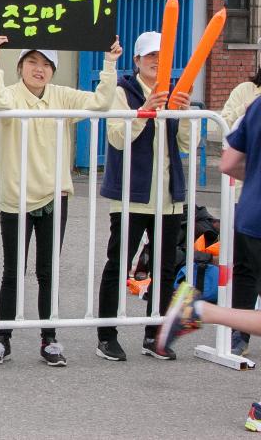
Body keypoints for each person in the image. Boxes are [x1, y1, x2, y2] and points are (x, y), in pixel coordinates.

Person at [0, 33, 121, 368]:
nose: (39, 69)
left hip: (54, 195)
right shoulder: (11, 95)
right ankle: (2, 338)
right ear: (20, 66)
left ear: (54, 70)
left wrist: (109, 64)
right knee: (12, 271)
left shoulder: (62, 96)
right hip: (16, 197)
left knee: (48, 271)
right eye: (32, 62)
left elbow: (101, 103)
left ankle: (49, 338)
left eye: (46, 64)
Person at [157, 89, 261, 430]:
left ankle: (200, 311)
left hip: (250, 218)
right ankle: (199, 311)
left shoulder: (257, 104)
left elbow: (229, 163)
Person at [96, 30, 192, 362]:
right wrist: (145, 111)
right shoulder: (124, 91)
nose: (156, 62)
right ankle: (106, 335)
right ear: (137, 60)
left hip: (168, 197)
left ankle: (155, 335)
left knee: (165, 269)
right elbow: (117, 137)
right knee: (118, 263)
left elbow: (187, 146)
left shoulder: (176, 92)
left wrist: (186, 115)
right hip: (130, 195)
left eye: (161, 56)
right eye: (150, 56)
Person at [221, 57, 261, 356]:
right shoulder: (245, 93)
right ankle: (235, 333)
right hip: (247, 205)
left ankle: (207, 314)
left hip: (251, 208)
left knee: (246, 271)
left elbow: (229, 162)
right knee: (245, 271)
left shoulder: (257, 106)